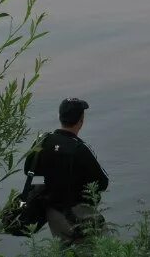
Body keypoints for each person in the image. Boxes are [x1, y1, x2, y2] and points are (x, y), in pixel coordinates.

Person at [24, 98, 109, 245]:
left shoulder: (43, 141)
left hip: (53, 213)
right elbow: (102, 182)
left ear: (59, 117)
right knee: (102, 253)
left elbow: (28, 170)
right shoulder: (80, 149)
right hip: (79, 213)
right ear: (81, 121)